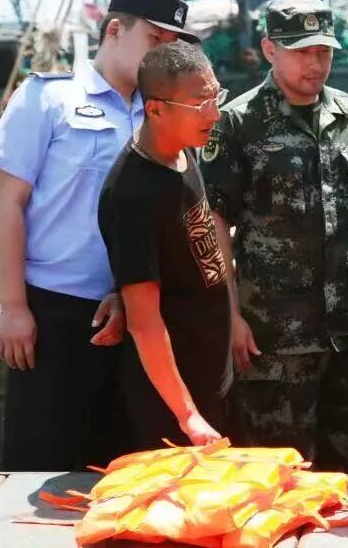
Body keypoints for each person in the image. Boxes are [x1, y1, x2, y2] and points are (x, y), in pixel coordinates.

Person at [0, 0, 197, 470]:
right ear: (115, 30)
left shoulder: (163, 115)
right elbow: (7, 205)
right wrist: (14, 307)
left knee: (128, 470)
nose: (163, 56)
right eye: (155, 40)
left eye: (172, 46)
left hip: (139, 317)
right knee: (42, 463)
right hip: (55, 317)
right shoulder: (45, 100)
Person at [201, 0, 348, 472]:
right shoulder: (238, 122)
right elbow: (214, 222)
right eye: (302, 51)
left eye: (323, 51)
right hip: (274, 337)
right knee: (278, 474)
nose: (315, 63)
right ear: (270, 50)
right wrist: (228, 316)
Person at [98, 42, 232, 449]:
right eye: (200, 104)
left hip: (212, 371)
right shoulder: (132, 194)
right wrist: (188, 415)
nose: (214, 114)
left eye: (216, 97)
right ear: (156, 110)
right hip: (173, 403)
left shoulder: (183, 149)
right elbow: (144, 323)